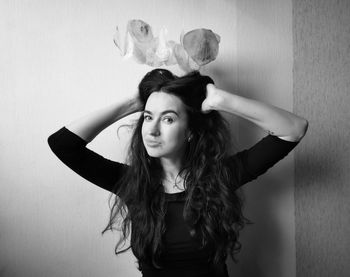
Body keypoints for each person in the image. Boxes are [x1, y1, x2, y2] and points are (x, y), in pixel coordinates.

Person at [48, 69, 308, 277]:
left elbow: (294, 129)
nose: (152, 131)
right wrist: (134, 103)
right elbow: (62, 144)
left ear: (191, 131)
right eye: (148, 118)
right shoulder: (132, 183)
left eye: (168, 119)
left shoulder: (220, 177)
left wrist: (221, 100)